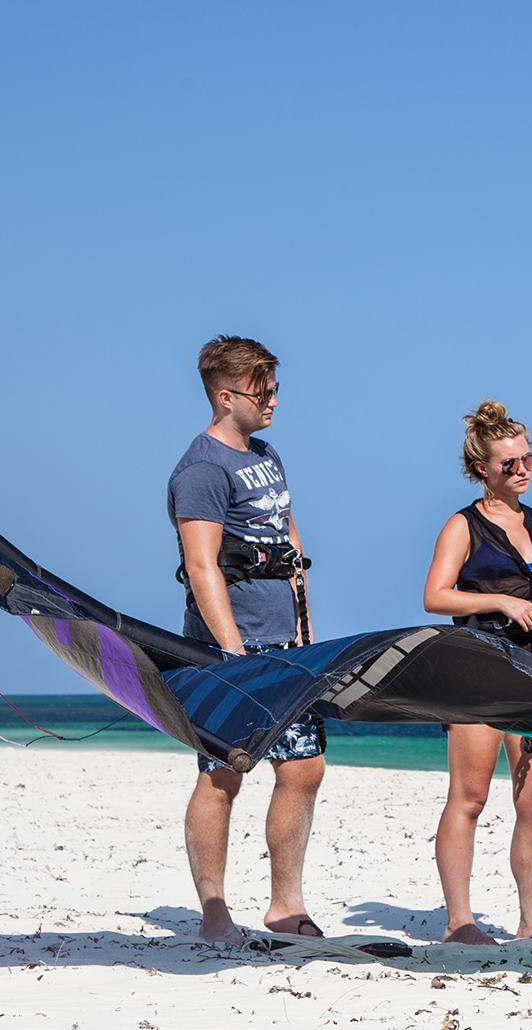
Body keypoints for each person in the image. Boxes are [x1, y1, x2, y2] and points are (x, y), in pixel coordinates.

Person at [169, 335, 325, 942]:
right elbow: (203, 564)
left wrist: (307, 630)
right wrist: (231, 652)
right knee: (222, 775)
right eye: (264, 392)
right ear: (226, 394)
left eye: (276, 390)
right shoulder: (202, 470)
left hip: (288, 641)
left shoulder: (267, 454)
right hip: (226, 647)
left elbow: (289, 540)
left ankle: (286, 904)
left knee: (304, 770)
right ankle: (213, 908)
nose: (274, 403)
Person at [422, 400, 532, 949]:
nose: (522, 470)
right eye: (508, 463)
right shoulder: (462, 525)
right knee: (470, 798)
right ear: (481, 469)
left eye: (527, 458)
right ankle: (459, 922)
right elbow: (434, 597)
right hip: (477, 673)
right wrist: (501, 604)